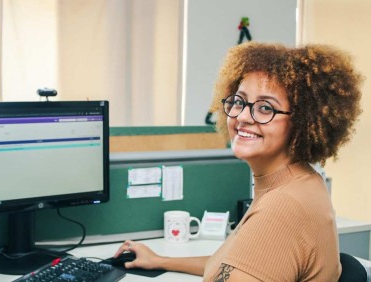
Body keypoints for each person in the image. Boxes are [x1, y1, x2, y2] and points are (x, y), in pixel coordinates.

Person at [113, 42, 363, 281]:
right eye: (239, 101)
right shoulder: (298, 181)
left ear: (303, 123)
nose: (243, 116)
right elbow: (234, 265)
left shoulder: (283, 207)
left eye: (266, 108)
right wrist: (161, 261)